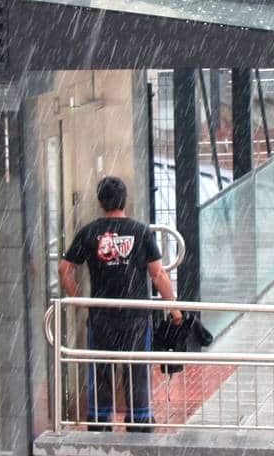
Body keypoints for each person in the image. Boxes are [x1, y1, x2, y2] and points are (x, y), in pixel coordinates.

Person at [59, 176, 182, 432]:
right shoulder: (140, 231)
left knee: (100, 368)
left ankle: (99, 420)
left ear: (100, 201)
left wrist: (80, 299)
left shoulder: (89, 232)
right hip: (135, 315)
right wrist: (174, 307)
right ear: (124, 200)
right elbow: (158, 274)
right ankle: (139, 419)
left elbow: (64, 269)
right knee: (136, 368)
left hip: (101, 314)